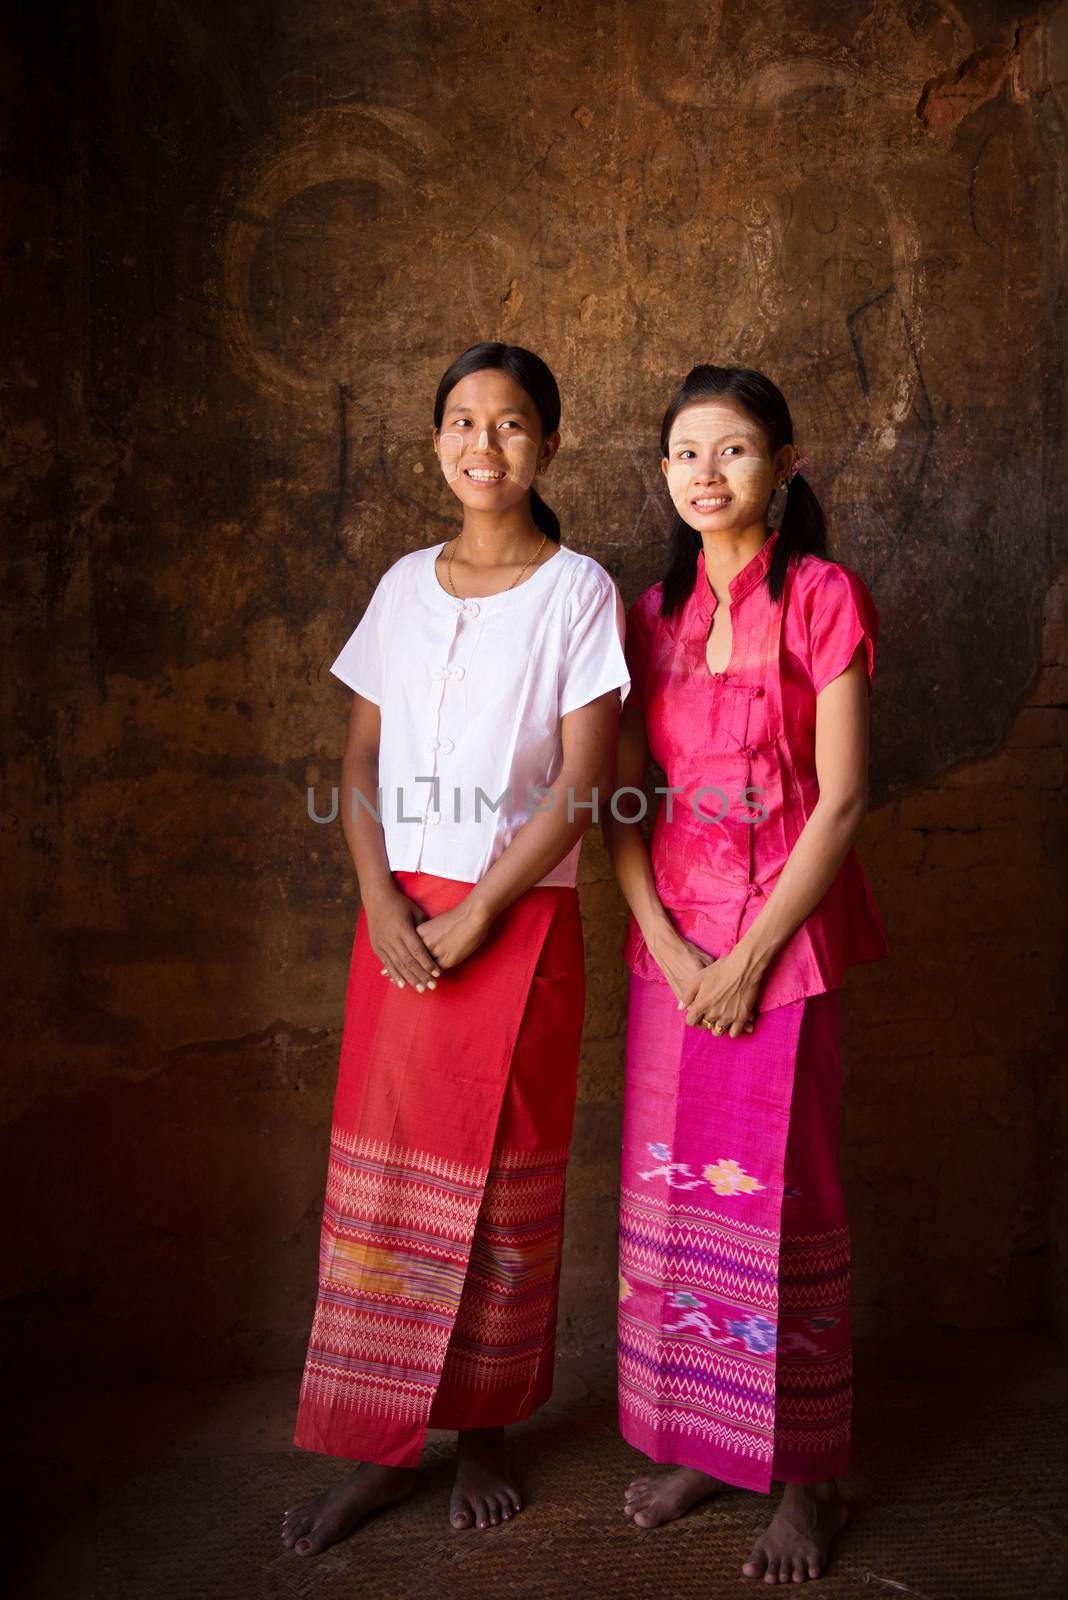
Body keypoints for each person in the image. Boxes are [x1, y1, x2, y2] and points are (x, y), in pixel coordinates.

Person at [282, 342, 630, 1555]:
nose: (485, 444)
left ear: (548, 444)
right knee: (384, 1185)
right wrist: (378, 897)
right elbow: (357, 764)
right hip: (399, 921)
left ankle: (486, 1430)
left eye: (513, 423)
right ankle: (381, 1449)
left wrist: (480, 910)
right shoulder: (401, 587)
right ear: (437, 440)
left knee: (501, 1188)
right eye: (464, 422)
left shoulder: (579, 589)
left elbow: (586, 783)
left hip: (518, 919)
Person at [604, 364, 889, 1585]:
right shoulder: (648, 610)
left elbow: (845, 802)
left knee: (786, 1200)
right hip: (671, 945)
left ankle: (811, 1476)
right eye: (685, 453)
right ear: (665, 474)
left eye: (732, 450)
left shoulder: (821, 596)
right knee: (680, 1205)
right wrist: (674, 954)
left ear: (785, 465)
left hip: (786, 944)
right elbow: (621, 797)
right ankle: (711, 1445)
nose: (706, 472)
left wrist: (751, 957)